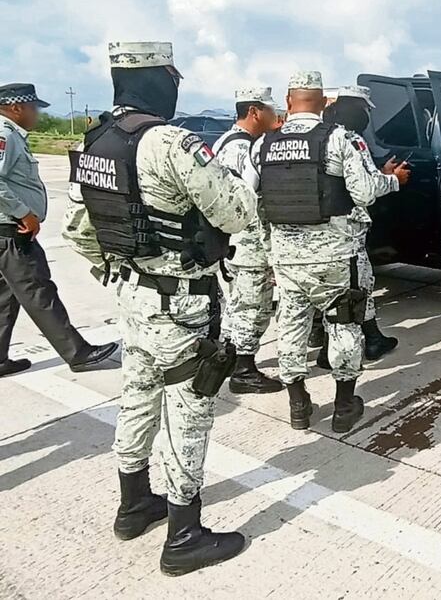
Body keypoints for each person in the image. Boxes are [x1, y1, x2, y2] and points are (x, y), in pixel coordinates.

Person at [62, 42, 256, 576]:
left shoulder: (98, 140)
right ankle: (184, 535)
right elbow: (237, 212)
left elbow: (76, 230)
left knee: (137, 399)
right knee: (189, 413)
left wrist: (117, 269)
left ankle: (133, 505)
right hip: (179, 302)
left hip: (133, 299)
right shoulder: (171, 141)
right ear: (160, 81)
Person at [244, 71, 379, 433]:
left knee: (290, 326)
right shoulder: (340, 139)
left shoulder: (263, 144)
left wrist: (268, 249)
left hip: (287, 259)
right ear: (323, 104)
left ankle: (298, 404)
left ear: (288, 102)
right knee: (344, 327)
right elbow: (364, 193)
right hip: (335, 257)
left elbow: (249, 200)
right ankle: (344, 405)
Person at [0, 83, 118, 378]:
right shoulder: (5, 133)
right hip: (11, 230)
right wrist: (24, 212)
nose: (36, 114)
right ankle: (78, 353)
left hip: (5, 230)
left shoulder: (11, 133)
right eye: (33, 108)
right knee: (38, 290)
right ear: (16, 108)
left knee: (5, 295)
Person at [317, 85, 410, 367]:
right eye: (365, 110)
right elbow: (365, 192)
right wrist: (394, 180)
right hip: (346, 232)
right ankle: (337, 350)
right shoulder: (351, 140)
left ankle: (370, 338)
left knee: (331, 291)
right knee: (358, 287)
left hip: (316, 230)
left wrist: (380, 172)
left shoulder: (320, 137)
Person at [213, 87, 282, 394]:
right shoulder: (245, 149)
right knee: (254, 307)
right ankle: (244, 369)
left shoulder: (225, 142)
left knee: (237, 304)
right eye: (271, 110)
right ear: (255, 111)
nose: (275, 116)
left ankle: (227, 358)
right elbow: (249, 194)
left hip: (231, 241)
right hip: (249, 243)